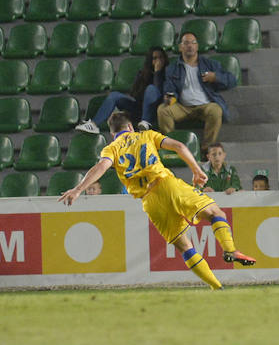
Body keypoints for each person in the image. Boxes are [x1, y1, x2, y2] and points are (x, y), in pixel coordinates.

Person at [58, 111, 257, 290]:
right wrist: (196, 170)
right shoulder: (145, 135)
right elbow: (178, 146)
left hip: (149, 202)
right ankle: (230, 250)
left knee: (184, 246)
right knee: (215, 213)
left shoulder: (111, 148)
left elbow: (101, 167)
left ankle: (216, 287)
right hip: (166, 184)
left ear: (112, 134)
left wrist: (77, 190)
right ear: (130, 127)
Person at [157, 32, 237, 158]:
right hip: (183, 106)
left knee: (216, 110)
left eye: (193, 42)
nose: (190, 46)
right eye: (186, 43)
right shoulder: (172, 68)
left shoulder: (210, 64)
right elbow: (169, 88)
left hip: (205, 105)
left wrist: (215, 77)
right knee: (163, 110)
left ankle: (206, 149)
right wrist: (169, 97)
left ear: (197, 46)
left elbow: (232, 80)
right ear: (180, 47)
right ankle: (172, 147)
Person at [76, 47, 168, 135]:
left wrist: (157, 73)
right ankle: (94, 124)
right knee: (114, 95)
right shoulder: (143, 74)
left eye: (160, 57)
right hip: (139, 109)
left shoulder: (169, 73)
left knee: (151, 89)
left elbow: (160, 92)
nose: (158, 61)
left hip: (157, 111)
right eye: (154, 58)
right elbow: (134, 94)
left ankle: (145, 123)